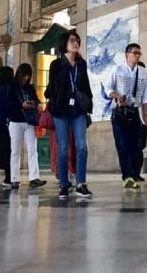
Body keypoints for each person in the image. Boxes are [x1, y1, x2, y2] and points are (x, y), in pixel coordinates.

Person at [44, 31, 93, 199]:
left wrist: (88, 104)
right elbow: (52, 88)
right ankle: (64, 184)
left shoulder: (82, 64)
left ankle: (81, 184)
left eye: (78, 40)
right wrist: (54, 101)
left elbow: (86, 86)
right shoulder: (56, 65)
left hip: (78, 110)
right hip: (61, 111)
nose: (76, 42)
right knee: (63, 149)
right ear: (64, 43)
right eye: (72, 40)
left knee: (81, 147)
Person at [105, 43, 147, 190]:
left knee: (136, 147)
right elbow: (108, 88)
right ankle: (127, 177)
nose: (137, 55)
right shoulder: (117, 69)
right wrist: (117, 96)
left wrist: (146, 116)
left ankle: (134, 174)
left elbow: (146, 96)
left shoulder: (143, 72)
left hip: (133, 112)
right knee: (122, 146)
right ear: (127, 55)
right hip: (119, 113)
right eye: (135, 53)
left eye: (139, 53)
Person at [8, 63, 46, 190]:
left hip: (30, 121)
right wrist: (21, 105)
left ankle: (34, 178)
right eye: (24, 75)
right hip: (15, 122)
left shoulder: (30, 88)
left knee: (32, 148)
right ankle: (14, 179)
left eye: (28, 76)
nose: (26, 78)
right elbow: (8, 107)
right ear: (19, 74)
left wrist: (39, 105)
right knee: (15, 151)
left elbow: (36, 100)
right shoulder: (11, 88)